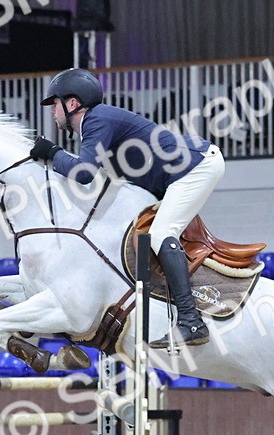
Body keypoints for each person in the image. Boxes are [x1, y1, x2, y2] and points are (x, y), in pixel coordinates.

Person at [29, 67, 224, 348]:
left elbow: (84, 173)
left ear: (72, 104)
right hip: (177, 175)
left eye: (54, 104)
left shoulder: (96, 120)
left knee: (160, 234)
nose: (52, 112)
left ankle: (191, 322)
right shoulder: (97, 125)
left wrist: (53, 153)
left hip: (196, 167)